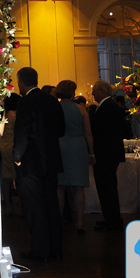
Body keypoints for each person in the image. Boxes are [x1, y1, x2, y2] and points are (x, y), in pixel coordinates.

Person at [12, 67, 66, 261]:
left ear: (22, 83)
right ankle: (55, 249)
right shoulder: (52, 100)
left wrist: (17, 156)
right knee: (51, 204)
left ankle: (40, 250)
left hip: (31, 162)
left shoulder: (25, 102)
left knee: (34, 208)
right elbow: (61, 130)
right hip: (51, 160)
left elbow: (23, 132)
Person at [55, 80, 95, 233]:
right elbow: (88, 133)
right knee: (78, 187)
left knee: (60, 187)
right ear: (73, 92)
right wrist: (91, 152)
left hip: (60, 146)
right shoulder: (82, 109)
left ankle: (58, 221)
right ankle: (80, 223)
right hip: (78, 146)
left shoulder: (55, 108)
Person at [90, 80, 127, 231]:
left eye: (95, 90)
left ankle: (113, 221)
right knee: (107, 187)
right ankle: (110, 218)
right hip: (109, 153)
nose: (92, 93)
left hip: (106, 154)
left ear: (102, 91)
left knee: (107, 188)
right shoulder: (108, 106)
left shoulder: (107, 107)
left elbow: (102, 131)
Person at [0, 92, 21, 216]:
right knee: (18, 176)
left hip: (4, 146)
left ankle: (8, 205)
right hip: (14, 145)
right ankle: (22, 206)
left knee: (6, 178)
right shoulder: (16, 115)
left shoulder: (4, 114)